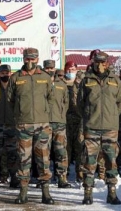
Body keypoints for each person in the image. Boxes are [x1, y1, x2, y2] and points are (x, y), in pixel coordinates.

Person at [7, 48, 54, 205]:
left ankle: (45, 193)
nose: (30, 62)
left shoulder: (46, 78)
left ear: (38, 59)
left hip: (42, 124)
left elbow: (50, 97)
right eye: (27, 59)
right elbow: (10, 99)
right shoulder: (16, 78)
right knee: (23, 159)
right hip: (23, 124)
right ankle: (23, 192)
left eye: (33, 59)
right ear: (23, 59)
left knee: (43, 159)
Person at [78, 51, 121, 205]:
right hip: (92, 126)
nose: (99, 65)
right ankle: (88, 193)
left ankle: (112, 192)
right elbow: (80, 103)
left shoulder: (115, 80)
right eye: (96, 62)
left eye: (102, 62)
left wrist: (112, 115)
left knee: (111, 160)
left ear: (107, 63)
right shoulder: (86, 81)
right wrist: (89, 115)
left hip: (110, 128)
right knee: (89, 161)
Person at [43, 60, 71, 188]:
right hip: (44, 122)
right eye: (47, 68)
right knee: (44, 152)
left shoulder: (62, 84)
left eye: (51, 68)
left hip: (59, 123)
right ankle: (44, 179)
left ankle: (62, 178)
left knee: (61, 151)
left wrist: (61, 114)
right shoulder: (41, 82)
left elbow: (66, 103)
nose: (50, 70)